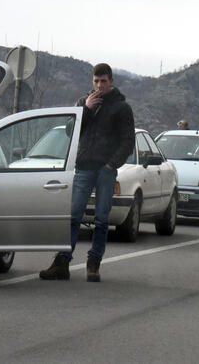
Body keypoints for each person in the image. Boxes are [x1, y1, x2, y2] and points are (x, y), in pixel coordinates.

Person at [39, 62, 134, 282]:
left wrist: (112, 163)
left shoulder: (121, 107)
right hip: (83, 168)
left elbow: (127, 140)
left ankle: (94, 263)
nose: (99, 85)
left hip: (105, 170)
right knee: (73, 216)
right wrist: (86, 111)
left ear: (111, 81)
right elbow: (70, 131)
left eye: (103, 81)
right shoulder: (83, 103)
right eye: (96, 81)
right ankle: (62, 262)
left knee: (101, 219)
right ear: (92, 81)